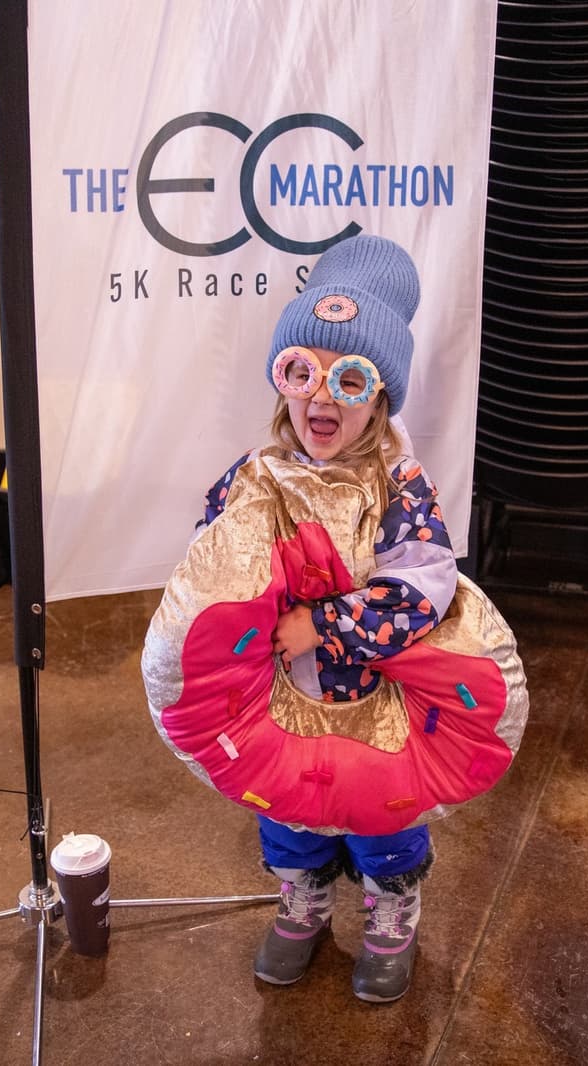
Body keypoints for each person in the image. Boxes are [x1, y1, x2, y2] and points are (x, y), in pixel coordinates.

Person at [193, 235, 457, 1002]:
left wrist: (326, 625)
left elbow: (424, 587)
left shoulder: (399, 486)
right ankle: (302, 898)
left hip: (375, 703)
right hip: (281, 700)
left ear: (380, 396)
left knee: (383, 815)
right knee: (287, 807)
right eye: (302, 372)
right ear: (282, 381)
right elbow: (213, 559)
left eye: (350, 379)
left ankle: (391, 912)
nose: (323, 398)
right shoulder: (257, 476)